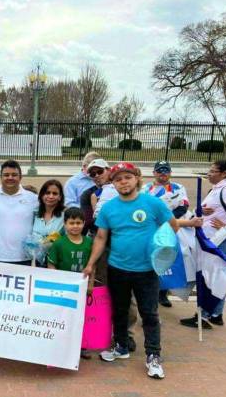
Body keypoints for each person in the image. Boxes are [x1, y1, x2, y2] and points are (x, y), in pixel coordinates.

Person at [83, 162, 177, 380]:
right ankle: (121, 347)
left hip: (147, 270)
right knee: (119, 311)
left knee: (149, 314)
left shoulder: (153, 203)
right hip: (117, 268)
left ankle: (153, 356)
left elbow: (172, 226)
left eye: (127, 177)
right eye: (117, 179)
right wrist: (91, 264)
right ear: (112, 183)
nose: (123, 182)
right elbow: (100, 237)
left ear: (137, 178)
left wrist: (159, 249)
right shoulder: (109, 208)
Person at [180, 159, 226, 329]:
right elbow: (202, 211)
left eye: (213, 170)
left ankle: (204, 316)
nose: (208, 173)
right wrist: (198, 212)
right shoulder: (218, 189)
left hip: (218, 241)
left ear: (224, 173)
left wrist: (225, 228)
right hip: (208, 239)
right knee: (216, 275)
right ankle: (216, 314)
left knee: (211, 276)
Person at [142, 160, 190, 308]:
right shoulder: (147, 188)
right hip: (152, 227)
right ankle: (149, 292)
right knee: (151, 259)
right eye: (160, 171)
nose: (163, 174)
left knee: (169, 260)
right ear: (154, 173)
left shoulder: (178, 187)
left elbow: (183, 206)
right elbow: (144, 206)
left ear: (170, 172)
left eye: (166, 171)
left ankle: (163, 294)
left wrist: (167, 220)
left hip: (170, 227)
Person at [47, 207, 93, 359]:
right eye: (71, 223)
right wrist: (56, 284)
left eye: (78, 223)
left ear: (84, 224)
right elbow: (51, 265)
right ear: (65, 224)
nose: (75, 226)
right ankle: (61, 345)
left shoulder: (89, 243)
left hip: (81, 289)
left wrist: (91, 284)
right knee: (63, 317)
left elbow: (93, 266)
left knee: (80, 318)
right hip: (64, 290)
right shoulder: (59, 244)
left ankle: (81, 346)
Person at [0, 160, 38, 265]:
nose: (10, 177)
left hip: (23, 258)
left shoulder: (33, 198)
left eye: (14, 175)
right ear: (0, 177)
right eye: (6, 175)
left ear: (20, 177)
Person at [31, 179, 65, 266]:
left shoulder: (65, 216)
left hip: (57, 261)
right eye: (47, 193)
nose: (50, 196)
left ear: (60, 197)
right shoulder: (34, 214)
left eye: (55, 193)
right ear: (42, 195)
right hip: (37, 261)